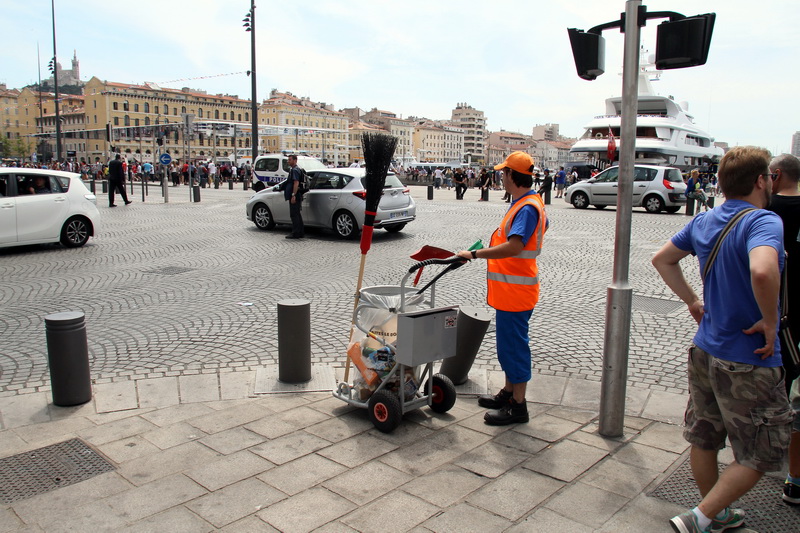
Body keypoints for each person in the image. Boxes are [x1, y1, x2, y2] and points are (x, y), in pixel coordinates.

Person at [651, 146, 791, 533]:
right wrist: (768, 320)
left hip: (705, 348)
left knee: (705, 435)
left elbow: (662, 259)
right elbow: (762, 272)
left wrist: (693, 301)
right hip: (749, 356)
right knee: (763, 451)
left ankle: (716, 513)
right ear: (762, 180)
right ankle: (700, 517)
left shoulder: (705, 220)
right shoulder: (764, 222)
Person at [456, 151, 548, 426]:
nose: (500, 176)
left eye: (504, 172)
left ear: (512, 175)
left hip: (516, 293)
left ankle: (518, 406)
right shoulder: (526, 202)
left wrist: (476, 255)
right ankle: (509, 393)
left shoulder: (527, 207)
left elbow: (515, 246)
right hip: (512, 291)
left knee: (515, 349)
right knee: (508, 347)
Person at [766, 154, 800, 505]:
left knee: (773, 365)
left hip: (771, 302)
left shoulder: (767, 210)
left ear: (774, 176)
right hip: (794, 305)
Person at [284, 154, 304, 239]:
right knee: (297, 214)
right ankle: (300, 232)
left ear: (295, 160)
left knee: (294, 215)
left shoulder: (295, 170)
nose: (288, 161)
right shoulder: (294, 169)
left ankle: (296, 233)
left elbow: (296, 183)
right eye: (288, 160)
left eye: (290, 160)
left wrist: (293, 195)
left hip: (295, 195)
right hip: (296, 194)